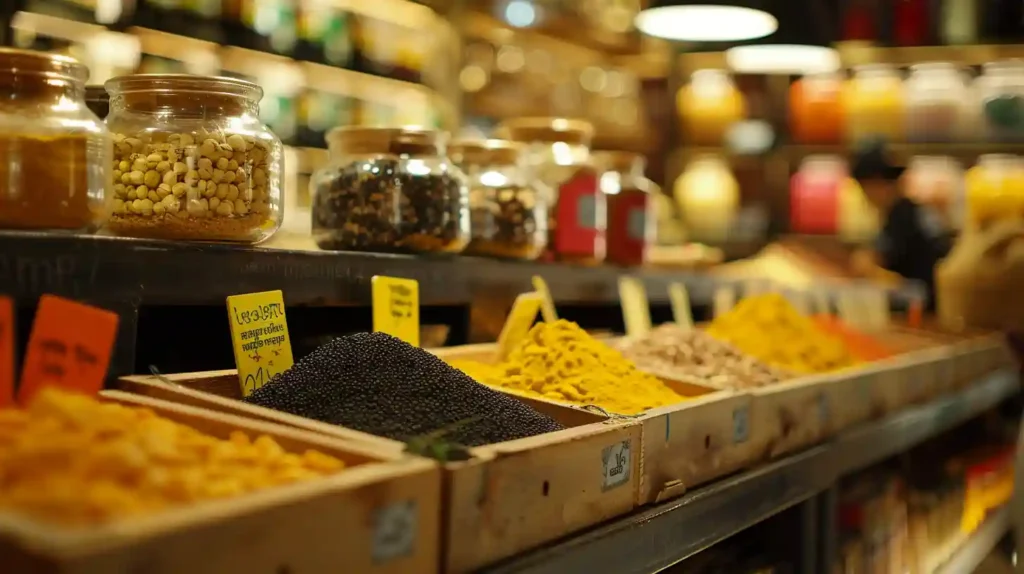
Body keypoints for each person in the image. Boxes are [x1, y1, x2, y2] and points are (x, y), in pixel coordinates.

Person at [849, 140, 953, 309]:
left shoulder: (900, 216)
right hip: (944, 295)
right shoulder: (914, 209)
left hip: (926, 299)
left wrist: (867, 264)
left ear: (875, 183)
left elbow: (874, 263)